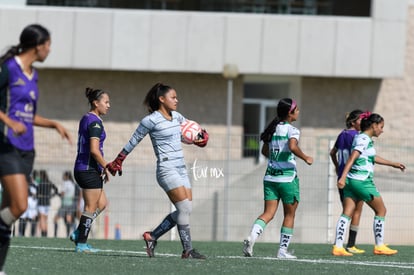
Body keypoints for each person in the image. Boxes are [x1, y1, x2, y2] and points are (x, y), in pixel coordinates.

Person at [106, 83, 209, 259]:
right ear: (162, 99)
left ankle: (152, 236)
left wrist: (200, 137)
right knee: (183, 208)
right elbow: (134, 140)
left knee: (186, 209)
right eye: (173, 97)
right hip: (166, 168)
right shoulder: (150, 120)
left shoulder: (177, 116)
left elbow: (188, 133)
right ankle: (187, 250)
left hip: (181, 168)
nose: (177, 100)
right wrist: (119, 159)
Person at [0, 24, 72, 273]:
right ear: (38, 45)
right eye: (48, 44)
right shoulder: (8, 68)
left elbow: (28, 116)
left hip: (27, 150)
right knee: (19, 206)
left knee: (7, 213)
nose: (50, 49)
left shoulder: (34, 75)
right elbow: (11, 115)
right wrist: (8, 122)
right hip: (6, 145)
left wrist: (53, 124)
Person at [242, 98, 313, 259]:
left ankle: (251, 237)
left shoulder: (272, 129)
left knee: (268, 213)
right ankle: (282, 251)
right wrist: (306, 157)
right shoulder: (292, 130)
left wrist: (277, 157)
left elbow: (265, 152)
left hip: (270, 178)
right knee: (289, 215)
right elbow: (293, 147)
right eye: (297, 109)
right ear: (290, 113)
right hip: (288, 179)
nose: (298, 111)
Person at [332, 113, 405, 256]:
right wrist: (342, 176)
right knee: (381, 210)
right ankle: (379, 245)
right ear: (374, 126)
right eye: (381, 127)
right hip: (362, 181)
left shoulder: (361, 137)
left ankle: (338, 247)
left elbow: (371, 156)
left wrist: (393, 164)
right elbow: (353, 157)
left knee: (347, 213)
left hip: (352, 182)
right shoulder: (364, 139)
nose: (382, 130)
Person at [70, 87, 111, 253]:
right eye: (106, 102)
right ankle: (81, 243)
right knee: (90, 207)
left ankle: (79, 231)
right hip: (88, 169)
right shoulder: (95, 122)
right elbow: (94, 150)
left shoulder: (86, 118)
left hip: (85, 168)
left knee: (102, 203)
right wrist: (106, 166)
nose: (109, 105)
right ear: (96, 103)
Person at [329, 109, 365, 254]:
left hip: (342, 178)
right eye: (361, 120)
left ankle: (340, 243)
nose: (364, 122)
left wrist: (338, 167)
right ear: (353, 122)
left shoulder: (342, 134)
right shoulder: (357, 136)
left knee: (347, 210)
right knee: (355, 210)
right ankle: (348, 244)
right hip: (354, 177)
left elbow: (333, 152)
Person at [54, 171, 76, 238]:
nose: (63, 177)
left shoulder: (65, 183)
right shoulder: (72, 184)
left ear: (66, 176)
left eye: (64, 176)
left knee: (55, 219)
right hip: (71, 203)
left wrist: (57, 193)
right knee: (68, 219)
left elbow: (62, 193)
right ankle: (68, 234)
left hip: (65, 203)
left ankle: (55, 235)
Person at [37, 169, 59, 237]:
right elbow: (56, 189)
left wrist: (39, 195)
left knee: (42, 219)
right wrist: (51, 196)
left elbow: (38, 192)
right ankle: (45, 233)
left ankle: (43, 233)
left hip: (41, 202)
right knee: (45, 219)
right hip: (47, 202)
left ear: (41, 175)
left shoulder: (40, 183)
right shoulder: (49, 182)